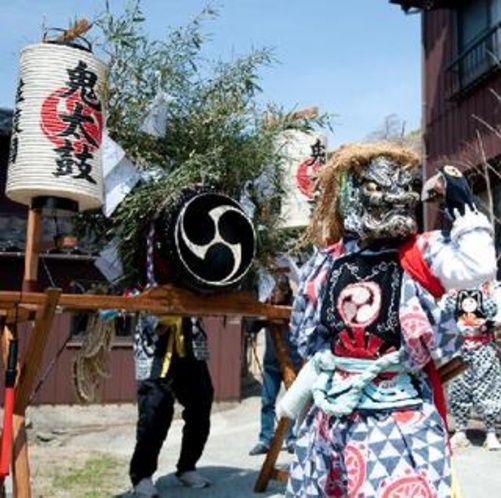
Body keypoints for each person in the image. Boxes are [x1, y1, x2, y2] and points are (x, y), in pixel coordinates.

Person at [276, 142, 496, 497]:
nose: (396, 198)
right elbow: (306, 332)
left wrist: (461, 202)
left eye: (406, 188)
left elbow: (479, 266)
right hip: (333, 415)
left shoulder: (419, 252)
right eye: (378, 188)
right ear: (353, 194)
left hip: (399, 412)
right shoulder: (327, 259)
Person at [130, 314, 214, 498]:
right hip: (156, 345)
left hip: (190, 343)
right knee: (155, 411)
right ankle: (142, 475)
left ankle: (187, 466)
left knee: (201, 403)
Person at [248, 274, 304, 456]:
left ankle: (291, 438)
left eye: (275, 291)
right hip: (272, 363)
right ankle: (265, 439)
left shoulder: (295, 306)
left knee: (292, 403)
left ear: (285, 291)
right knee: (267, 401)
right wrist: (257, 318)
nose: (272, 294)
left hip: (292, 362)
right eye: (270, 291)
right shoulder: (267, 305)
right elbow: (251, 327)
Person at [442, 281, 501, 451]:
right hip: (460, 348)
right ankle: (460, 431)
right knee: (459, 388)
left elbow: (499, 318)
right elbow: (444, 316)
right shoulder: (452, 289)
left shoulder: (492, 289)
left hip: (484, 348)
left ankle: (490, 432)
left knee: (489, 388)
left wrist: (486, 325)